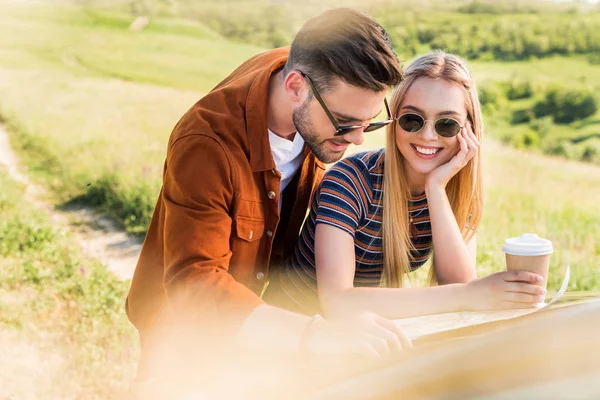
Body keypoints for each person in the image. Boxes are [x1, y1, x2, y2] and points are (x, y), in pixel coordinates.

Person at [125, 7, 411, 387]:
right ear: (295, 86)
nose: (358, 138)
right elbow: (193, 284)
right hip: (180, 337)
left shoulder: (310, 75)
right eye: (345, 123)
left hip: (261, 327)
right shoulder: (206, 145)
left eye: (370, 122)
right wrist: (315, 334)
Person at [266, 51, 547, 319]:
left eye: (446, 124)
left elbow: (460, 286)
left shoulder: (453, 190)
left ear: (469, 131)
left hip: (363, 336)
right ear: (394, 120)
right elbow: (338, 302)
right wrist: (465, 296)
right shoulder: (348, 182)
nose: (427, 136)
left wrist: (435, 189)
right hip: (289, 331)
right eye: (413, 120)